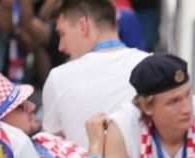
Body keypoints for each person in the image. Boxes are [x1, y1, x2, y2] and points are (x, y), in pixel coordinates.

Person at [39, 0, 150, 143]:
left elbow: (51, 148)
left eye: (62, 34)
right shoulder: (150, 67)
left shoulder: (58, 77)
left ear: (82, 26)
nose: (61, 46)